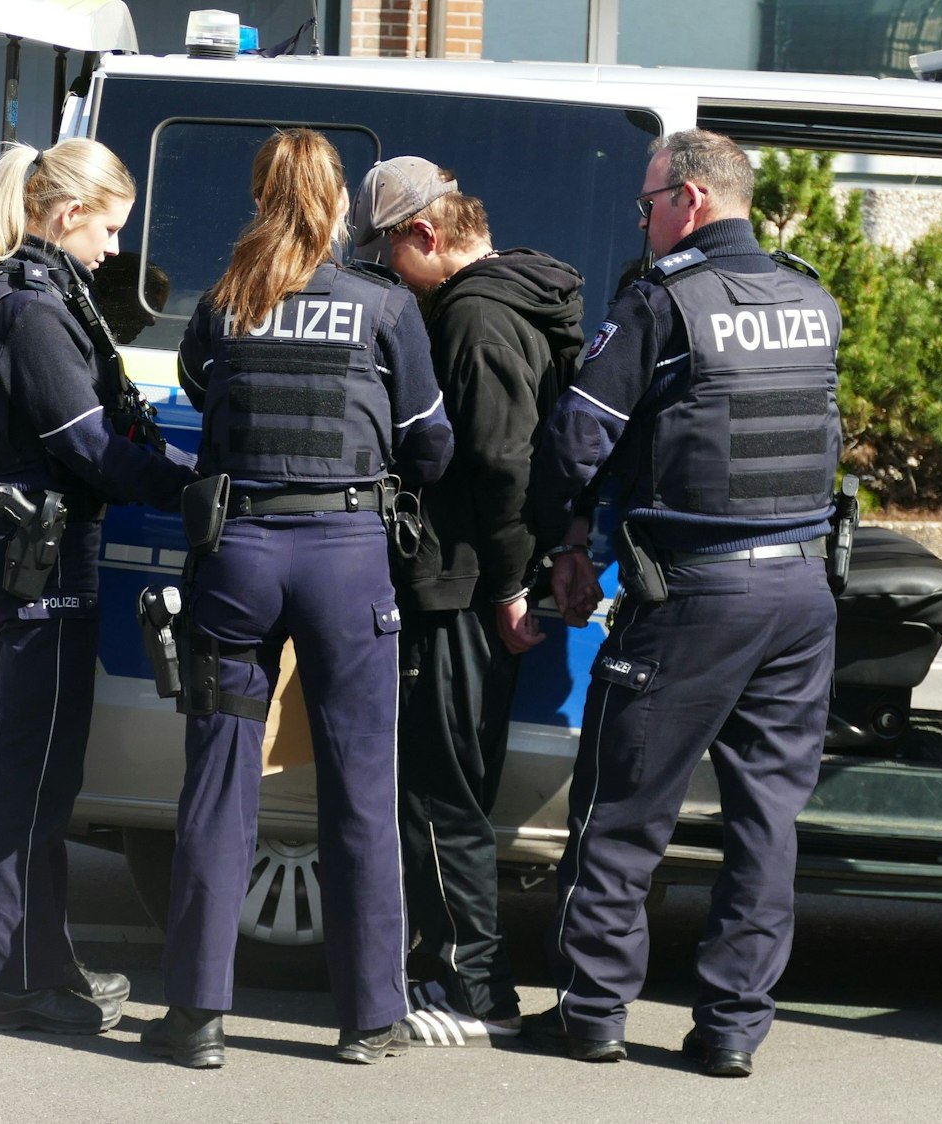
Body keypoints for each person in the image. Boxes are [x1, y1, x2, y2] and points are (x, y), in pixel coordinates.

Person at [525, 128, 842, 1077]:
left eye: (648, 202)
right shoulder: (811, 298)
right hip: (801, 587)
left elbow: (577, 439)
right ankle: (733, 1029)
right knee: (764, 820)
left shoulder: (666, 303)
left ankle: (592, 1014)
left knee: (620, 811)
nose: (645, 219)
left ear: (691, 201)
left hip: (698, 590)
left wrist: (560, 540)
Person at [146, 129, 455, 1068]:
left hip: (236, 556)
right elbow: (430, 444)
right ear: (338, 208)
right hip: (344, 559)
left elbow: (202, 393)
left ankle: (196, 1017)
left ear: (258, 195)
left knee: (217, 782)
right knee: (360, 784)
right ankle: (368, 1017)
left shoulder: (226, 303)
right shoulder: (383, 305)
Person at [0, 137, 196, 1036]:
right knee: (34, 773)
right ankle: (10, 976)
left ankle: (36, 960)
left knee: (43, 770)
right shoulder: (34, 310)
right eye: (108, 231)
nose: (110, 251)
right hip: (42, 556)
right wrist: (191, 479)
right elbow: (88, 443)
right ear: (66, 215)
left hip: (42, 548)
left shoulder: (37, 294)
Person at [349, 157, 585, 1047]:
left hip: (458, 590)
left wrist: (511, 582)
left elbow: (498, 461)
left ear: (425, 234)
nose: (381, 278)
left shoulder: (475, 318)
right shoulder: (520, 298)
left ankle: (471, 989)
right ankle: (448, 967)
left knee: (440, 793)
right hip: (476, 585)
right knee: (453, 787)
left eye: (385, 255)